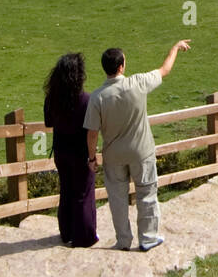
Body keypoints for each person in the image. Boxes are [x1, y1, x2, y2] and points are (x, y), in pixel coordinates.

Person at [84, 40, 191, 251]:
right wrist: (175, 48)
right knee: (147, 193)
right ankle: (148, 238)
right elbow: (165, 69)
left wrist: (91, 158)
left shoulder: (97, 97)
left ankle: (123, 241)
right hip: (141, 152)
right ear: (121, 66)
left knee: (117, 199)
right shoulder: (138, 83)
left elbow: (92, 133)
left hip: (113, 155)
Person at [42, 52, 97, 247]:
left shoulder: (52, 99)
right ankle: (84, 236)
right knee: (83, 192)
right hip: (80, 152)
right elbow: (92, 128)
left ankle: (66, 232)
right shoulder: (86, 100)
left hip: (61, 151)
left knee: (66, 190)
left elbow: (48, 123)